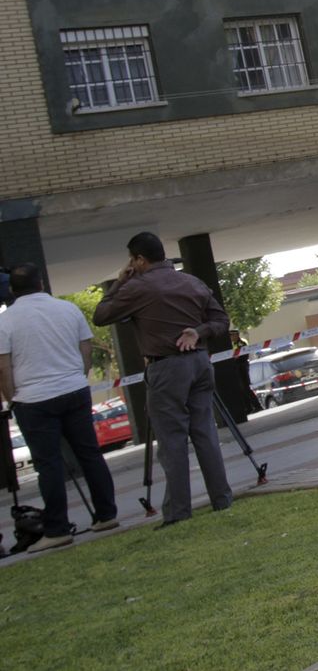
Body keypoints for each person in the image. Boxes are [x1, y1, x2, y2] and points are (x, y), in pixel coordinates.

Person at [93, 232, 233, 526]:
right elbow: (221, 321)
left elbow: (102, 314)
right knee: (205, 433)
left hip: (166, 368)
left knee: (172, 442)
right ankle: (222, 500)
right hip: (200, 363)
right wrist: (199, 332)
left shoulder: (137, 288)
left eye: (133, 260)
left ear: (139, 260)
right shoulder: (192, 282)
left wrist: (120, 281)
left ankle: (179, 513)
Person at [0, 264, 119, 551]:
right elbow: (86, 348)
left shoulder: (6, 322)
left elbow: (3, 366)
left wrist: (12, 397)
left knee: (48, 464)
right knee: (90, 453)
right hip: (73, 389)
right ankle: (106, 514)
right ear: (41, 284)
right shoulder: (67, 310)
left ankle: (57, 528)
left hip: (33, 398)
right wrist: (79, 375)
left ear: (12, 290)